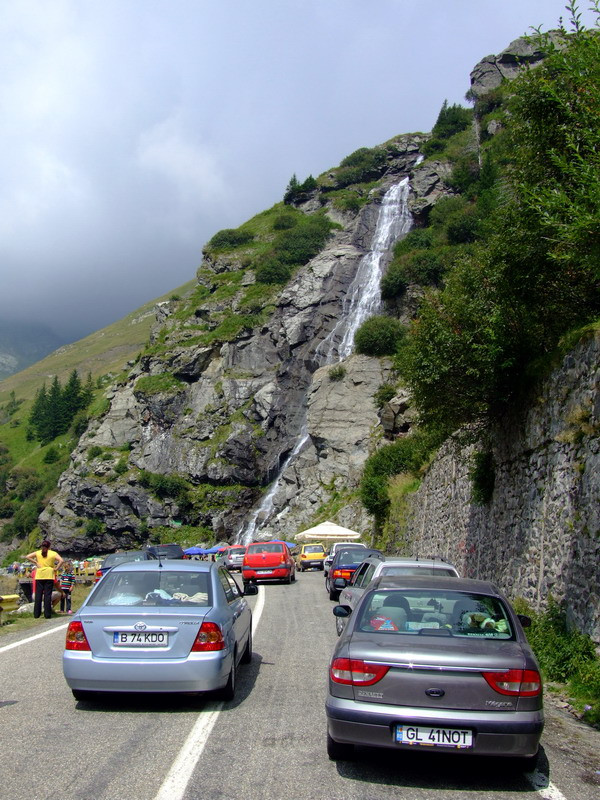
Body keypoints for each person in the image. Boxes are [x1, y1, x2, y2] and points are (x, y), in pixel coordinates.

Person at [26, 540, 63, 619]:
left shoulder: (38, 552)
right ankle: (47, 614)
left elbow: (27, 556)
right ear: (49, 546)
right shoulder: (53, 553)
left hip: (39, 575)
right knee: (47, 595)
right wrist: (56, 568)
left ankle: (36, 614)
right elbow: (61, 560)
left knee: (38, 595)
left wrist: (36, 562)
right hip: (49, 574)